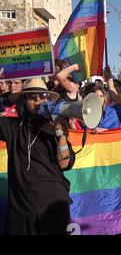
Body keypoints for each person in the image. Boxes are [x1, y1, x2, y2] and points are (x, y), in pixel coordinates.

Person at [0, 78, 75, 234]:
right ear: (23, 101)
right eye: (33, 97)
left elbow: (65, 164)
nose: (39, 101)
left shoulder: (57, 126)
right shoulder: (13, 127)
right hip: (21, 211)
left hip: (52, 206)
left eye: (43, 96)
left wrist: (60, 134)